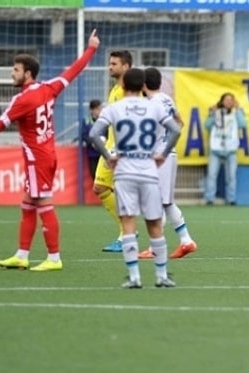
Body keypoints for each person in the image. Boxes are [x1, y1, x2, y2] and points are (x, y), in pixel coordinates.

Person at [0, 29, 100, 271]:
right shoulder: (49, 88)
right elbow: (73, 71)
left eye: (15, 70)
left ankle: (54, 258)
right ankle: (22, 255)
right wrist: (91, 48)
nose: (11, 73)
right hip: (48, 155)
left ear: (27, 73)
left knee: (43, 203)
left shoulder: (22, 100)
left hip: (38, 159)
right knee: (27, 204)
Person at [89, 68, 182, 288]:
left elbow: (94, 134)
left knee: (129, 222)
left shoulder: (114, 108)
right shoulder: (154, 106)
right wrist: (163, 154)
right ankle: (161, 276)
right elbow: (176, 130)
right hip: (148, 170)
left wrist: (108, 156)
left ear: (122, 86)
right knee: (154, 223)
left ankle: (134, 277)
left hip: (124, 172)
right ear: (142, 86)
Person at [137, 67, 197, 260]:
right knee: (166, 202)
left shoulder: (151, 104)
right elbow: (180, 122)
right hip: (169, 153)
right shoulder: (166, 99)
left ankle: (156, 248)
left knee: (158, 202)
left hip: (159, 157)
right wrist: (167, 139)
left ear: (144, 84)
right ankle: (186, 241)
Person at [94, 50, 134, 253]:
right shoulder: (115, 89)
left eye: (114, 64)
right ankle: (126, 232)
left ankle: (127, 234)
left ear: (125, 67)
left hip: (119, 149)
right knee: (101, 188)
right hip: (110, 145)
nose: (110, 67)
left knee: (117, 190)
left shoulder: (128, 90)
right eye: (110, 63)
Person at [204, 92, 247, 205]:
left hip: (231, 148)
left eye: (231, 100)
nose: (228, 102)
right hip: (216, 147)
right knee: (212, 174)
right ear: (222, 101)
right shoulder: (216, 113)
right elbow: (207, 126)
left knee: (231, 176)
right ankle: (210, 198)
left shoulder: (236, 114)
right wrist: (212, 113)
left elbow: (243, 124)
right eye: (226, 100)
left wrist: (238, 109)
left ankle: (231, 199)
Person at [79, 99, 104, 182]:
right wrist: (92, 142)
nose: (100, 111)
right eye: (98, 109)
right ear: (92, 110)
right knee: (94, 175)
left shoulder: (104, 120)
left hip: (104, 154)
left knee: (104, 176)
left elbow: (108, 133)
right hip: (92, 154)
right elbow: (83, 135)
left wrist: (105, 140)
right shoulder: (86, 121)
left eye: (100, 108)